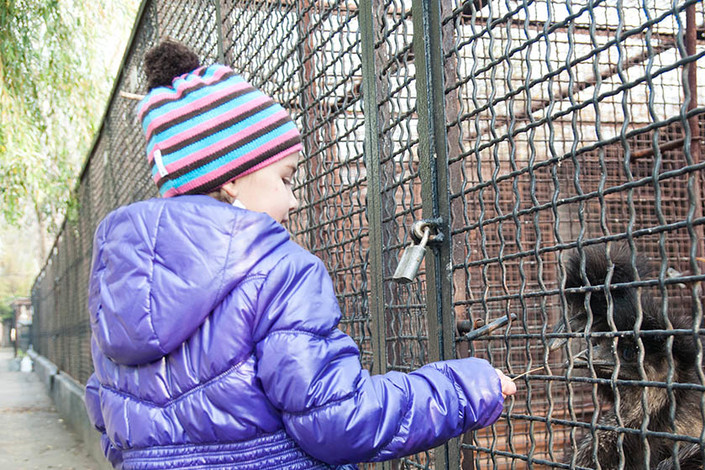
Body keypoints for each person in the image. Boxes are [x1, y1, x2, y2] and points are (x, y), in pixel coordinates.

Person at [84, 39, 516, 470]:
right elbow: (339, 421)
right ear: (231, 178)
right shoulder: (279, 269)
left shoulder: (117, 279)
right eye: (286, 178)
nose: (293, 200)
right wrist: (466, 387)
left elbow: (107, 416)